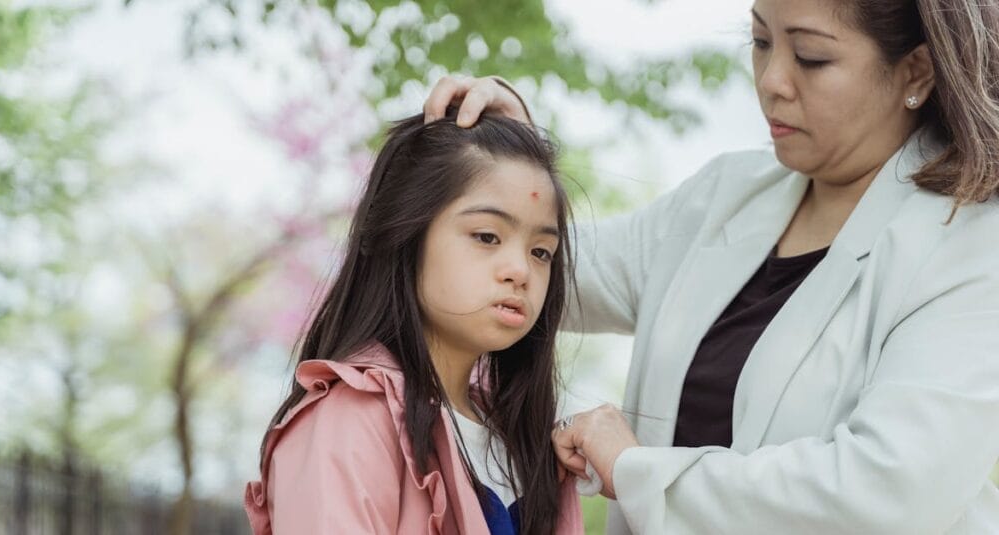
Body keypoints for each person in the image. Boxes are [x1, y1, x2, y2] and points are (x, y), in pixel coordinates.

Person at [424, 0, 999, 533]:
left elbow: (891, 489)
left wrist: (638, 470)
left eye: (811, 57)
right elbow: (539, 274)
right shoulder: (724, 198)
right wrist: (507, 160)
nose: (772, 81)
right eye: (760, 41)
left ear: (916, 71)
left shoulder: (969, 242)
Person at [244, 110, 584, 534]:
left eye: (541, 251)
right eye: (487, 236)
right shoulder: (348, 420)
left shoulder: (528, 442)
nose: (520, 270)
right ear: (406, 236)